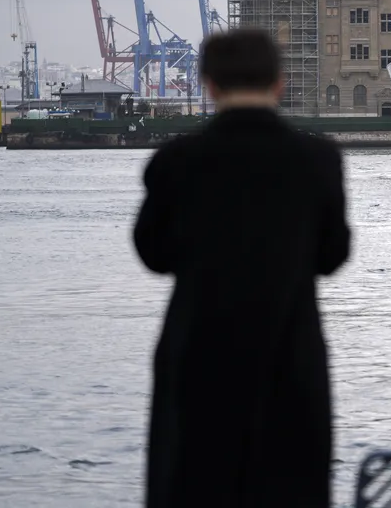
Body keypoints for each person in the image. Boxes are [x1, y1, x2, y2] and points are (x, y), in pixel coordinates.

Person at [134, 29, 352, 508]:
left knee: (193, 483)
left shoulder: (176, 161)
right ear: (280, 82)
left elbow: (153, 253)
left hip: (198, 355)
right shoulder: (316, 160)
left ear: (208, 84)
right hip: (289, 353)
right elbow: (333, 255)